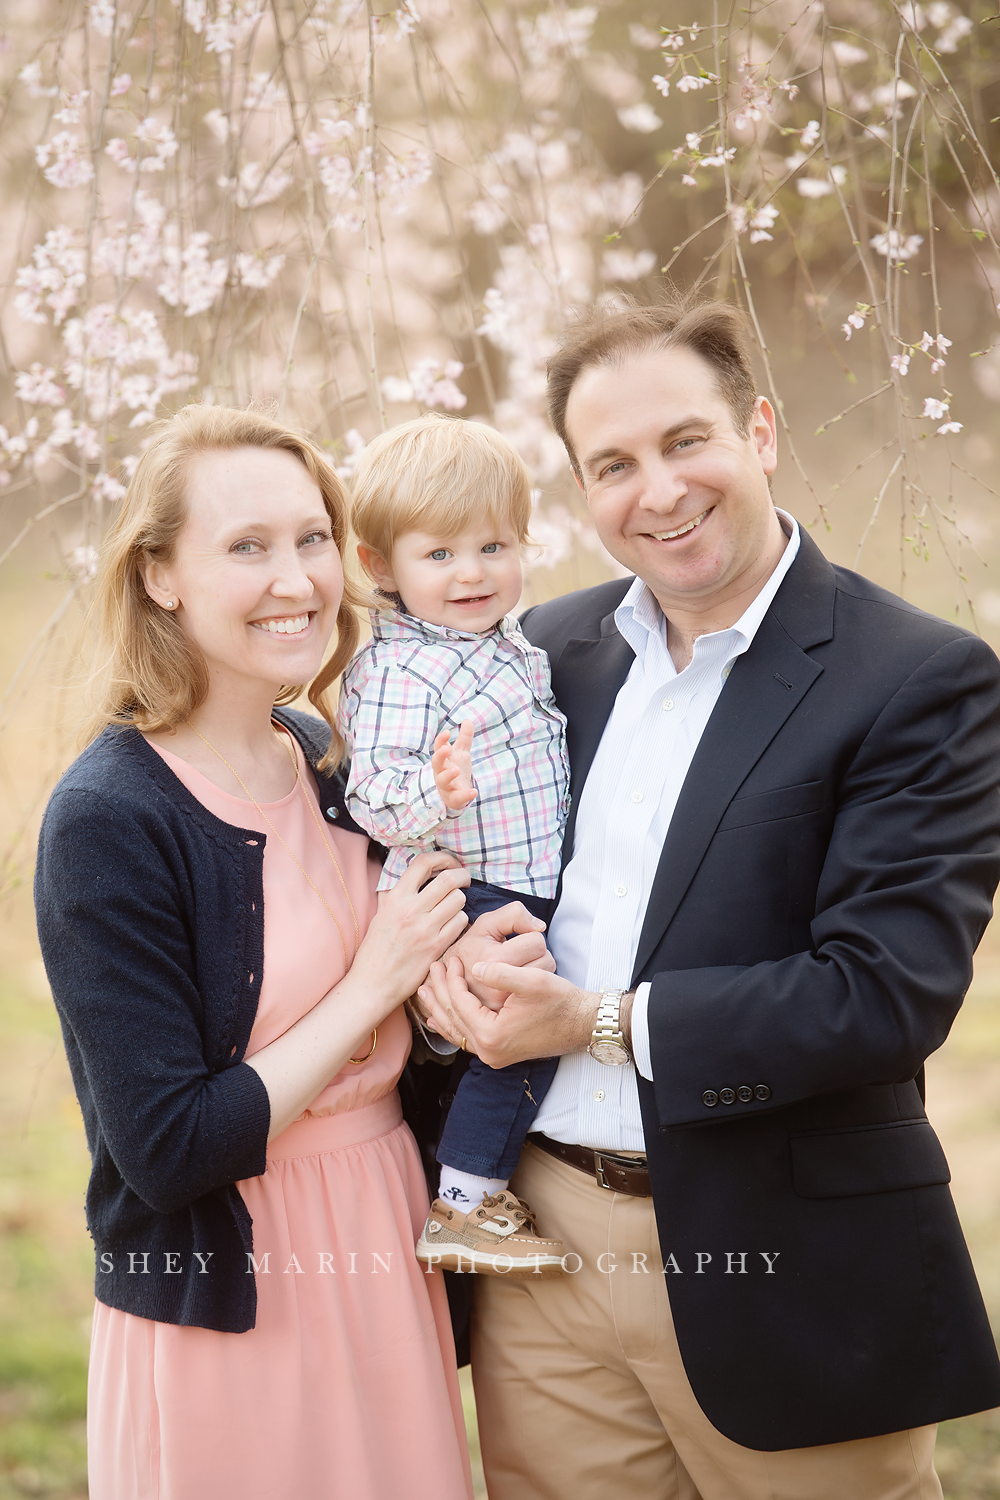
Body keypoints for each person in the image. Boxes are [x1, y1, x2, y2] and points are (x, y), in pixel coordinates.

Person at [418, 296, 1000, 1500]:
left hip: (786, 1264)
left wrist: (590, 1023)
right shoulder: (542, 654)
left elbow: (882, 994)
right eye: (613, 464)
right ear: (583, 491)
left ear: (760, 433)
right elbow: (477, 867)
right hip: (543, 1253)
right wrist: (448, 978)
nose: (660, 490)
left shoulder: (917, 679)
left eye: (687, 441)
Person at [32, 404, 547, 1500]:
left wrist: (455, 981)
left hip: (382, 1242)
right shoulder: (110, 817)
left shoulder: (322, 756)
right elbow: (167, 1147)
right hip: (240, 1283)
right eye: (247, 547)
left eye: (312, 538)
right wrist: (380, 983)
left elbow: (394, 965)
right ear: (162, 575)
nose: (297, 579)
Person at [338, 414, 570, 1276]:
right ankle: (466, 1203)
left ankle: (471, 1192)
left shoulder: (503, 642)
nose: (472, 572)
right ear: (380, 567)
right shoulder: (405, 669)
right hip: (468, 888)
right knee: (519, 1038)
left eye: (493, 546)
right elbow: (372, 794)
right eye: (438, 555)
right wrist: (433, 792)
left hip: (518, 878)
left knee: (519, 1032)